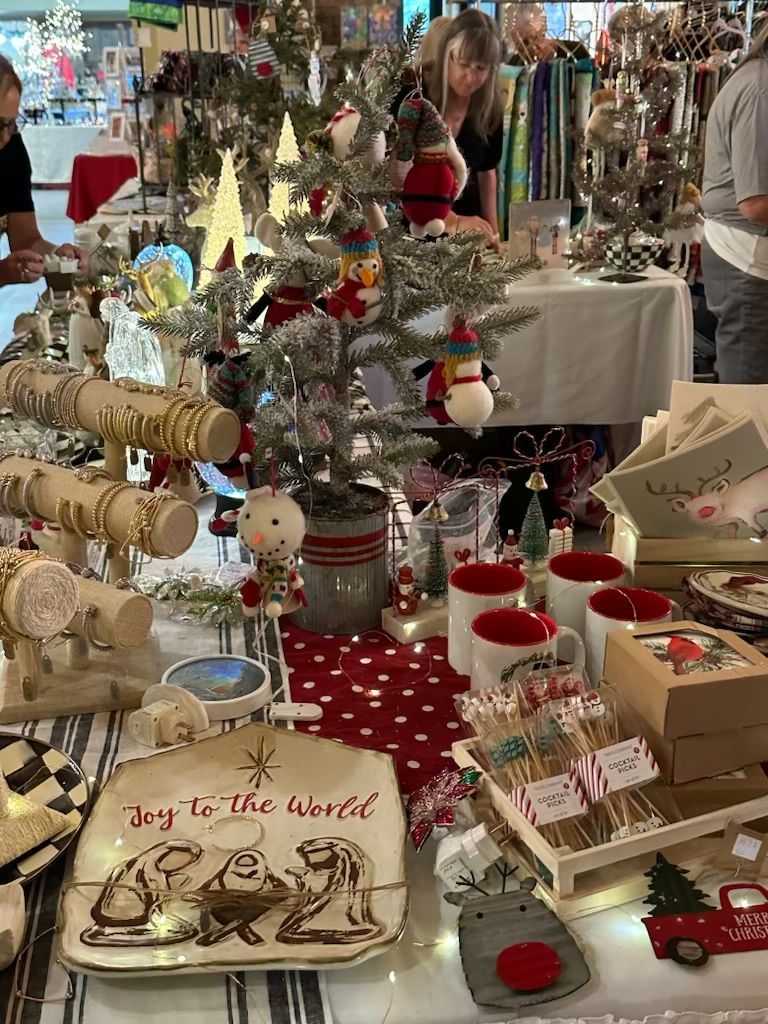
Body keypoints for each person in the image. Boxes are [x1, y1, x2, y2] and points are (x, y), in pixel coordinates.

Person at [392, 10, 504, 249]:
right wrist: (454, 221)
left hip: (465, 239)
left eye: (481, 69)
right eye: (463, 64)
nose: (470, 77)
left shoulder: (490, 108)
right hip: (411, 231)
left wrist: (493, 234)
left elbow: (487, 174)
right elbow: (397, 175)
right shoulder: (414, 95)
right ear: (446, 55)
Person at [701, 22, 768, 383]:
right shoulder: (761, 89)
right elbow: (756, 203)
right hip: (747, 258)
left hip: (749, 255)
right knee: (748, 402)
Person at [0, 56, 87, 289]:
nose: (6, 136)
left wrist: (57, 255)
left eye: (13, 123)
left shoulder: (11, 152)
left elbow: (26, 239)